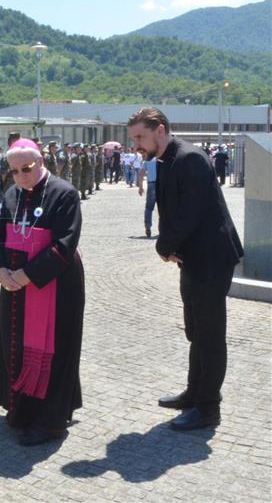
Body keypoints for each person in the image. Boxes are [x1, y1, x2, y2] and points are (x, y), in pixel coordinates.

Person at [127, 107, 243, 432]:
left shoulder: (188, 158)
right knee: (195, 331)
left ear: (159, 130)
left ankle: (208, 409)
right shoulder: (166, 158)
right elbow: (171, 212)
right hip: (193, 257)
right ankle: (194, 393)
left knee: (209, 336)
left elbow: (189, 214)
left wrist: (163, 247)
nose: (136, 144)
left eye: (140, 136)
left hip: (210, 258)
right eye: (134, 137)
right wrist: (172, 247)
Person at [0, 138, 85, 447]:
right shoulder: (11, 194)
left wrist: (27, 275)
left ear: (41, 162)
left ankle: (49, 422)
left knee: (54, 351)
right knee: (13, 345)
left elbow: (64, 246)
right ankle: (21, 411)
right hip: (14, 286)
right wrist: (0, 269)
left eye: (26, 169)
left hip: (54, 285)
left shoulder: (65, 193)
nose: (20, 177)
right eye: (14, 171)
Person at [138, 155, 157, 238]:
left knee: (149, 207)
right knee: (163, 208)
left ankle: (147, 225)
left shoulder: (148, 160)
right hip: (161, 184)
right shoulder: (161, 159)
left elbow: (141, 173)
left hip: (151, 184)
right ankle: (161, 227)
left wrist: (140, 187)